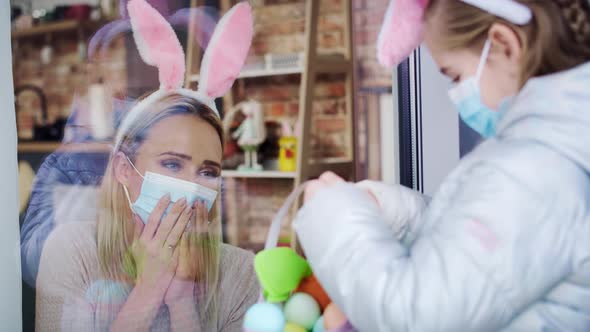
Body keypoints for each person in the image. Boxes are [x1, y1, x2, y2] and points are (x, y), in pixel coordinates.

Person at [294, 0, 590, 331]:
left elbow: (418, 317)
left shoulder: (535, 167)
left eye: (456, 76)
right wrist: (402, 214)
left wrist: (334, 220)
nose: (457, 95)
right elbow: (493, 263)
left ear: (505, 45)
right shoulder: (557, 149)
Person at [35, 1, 258, 330]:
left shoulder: (241, 271)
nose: (191, 187)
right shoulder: (72, 253)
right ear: (124, 169)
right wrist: (149, 291)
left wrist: (183, 300)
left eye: (208, 171)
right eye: (171, 163)